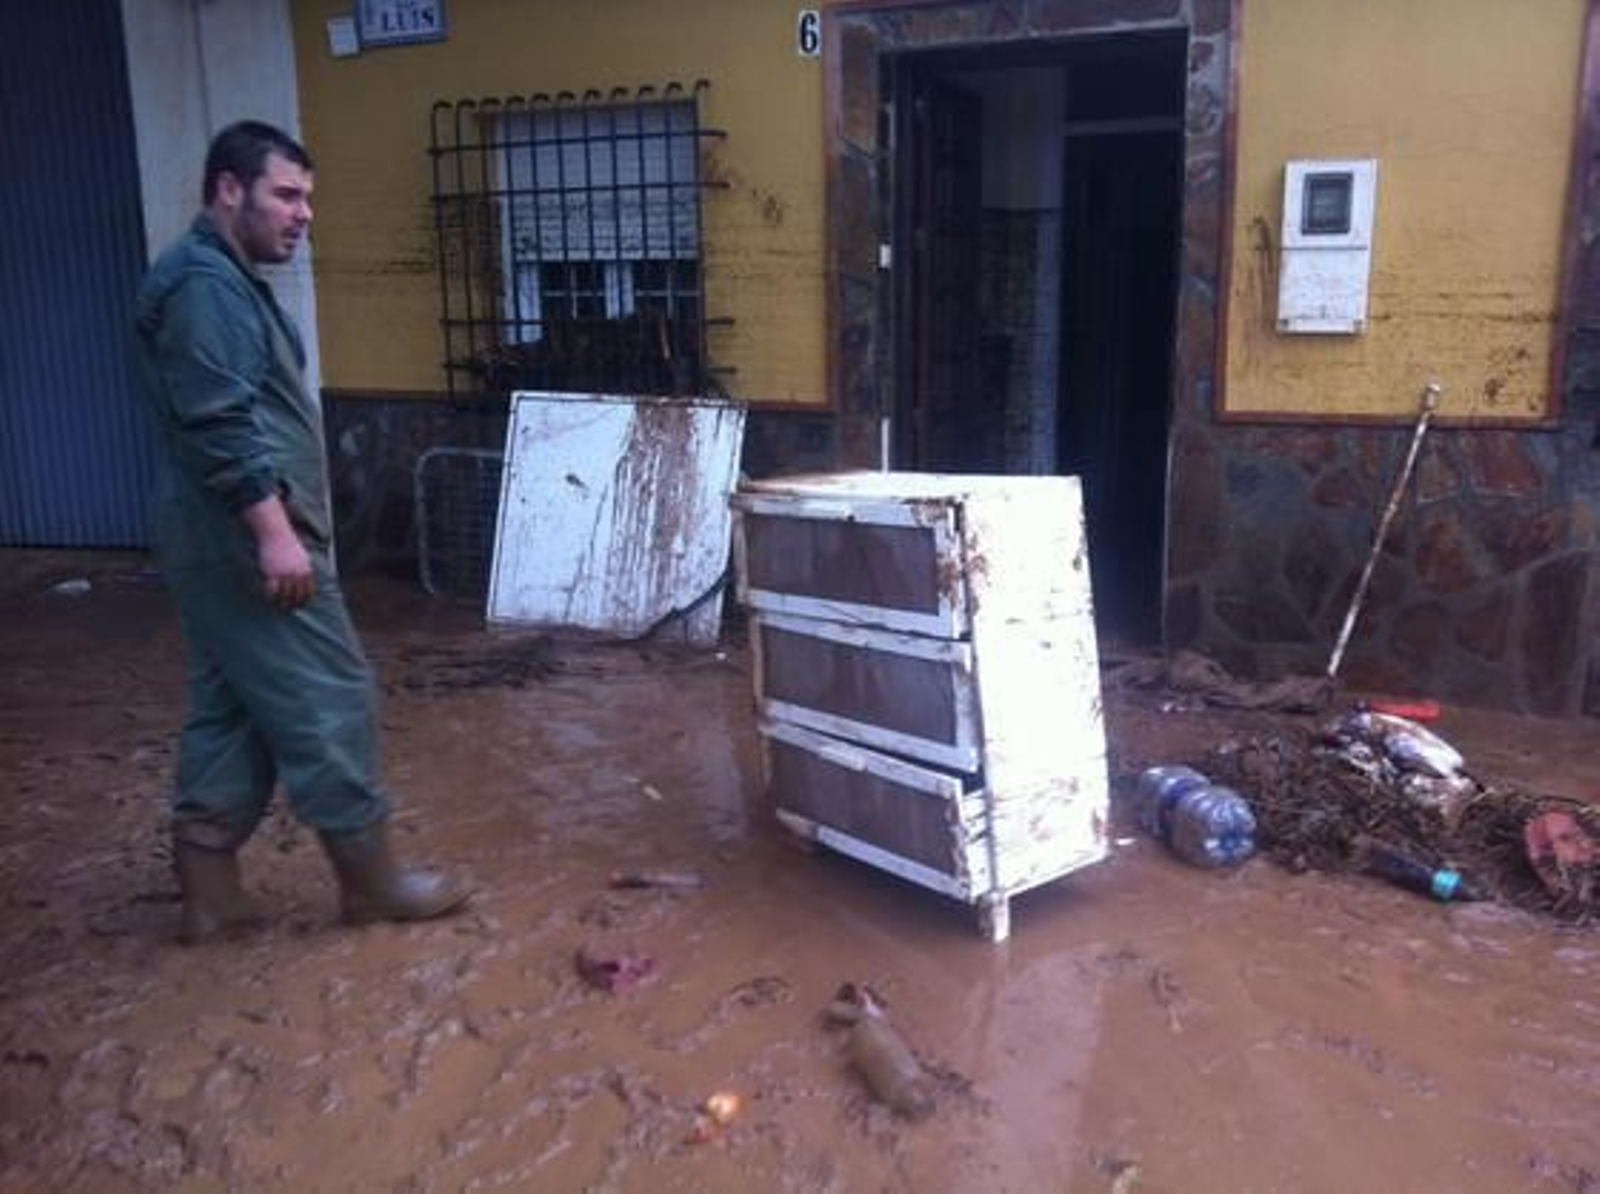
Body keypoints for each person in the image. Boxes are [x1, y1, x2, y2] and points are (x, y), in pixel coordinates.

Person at [133, 120, 470, 944]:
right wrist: (274, 532)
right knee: (331, 692)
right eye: (286, 195)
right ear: (228, 189)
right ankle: (372, 884)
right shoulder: (205, 288)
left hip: (223, 534)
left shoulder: (222, 279)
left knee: (235, 704)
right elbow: (218, 421)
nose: (303, 214)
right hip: (245, 535)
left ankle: (210, 891)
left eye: (307, 197)